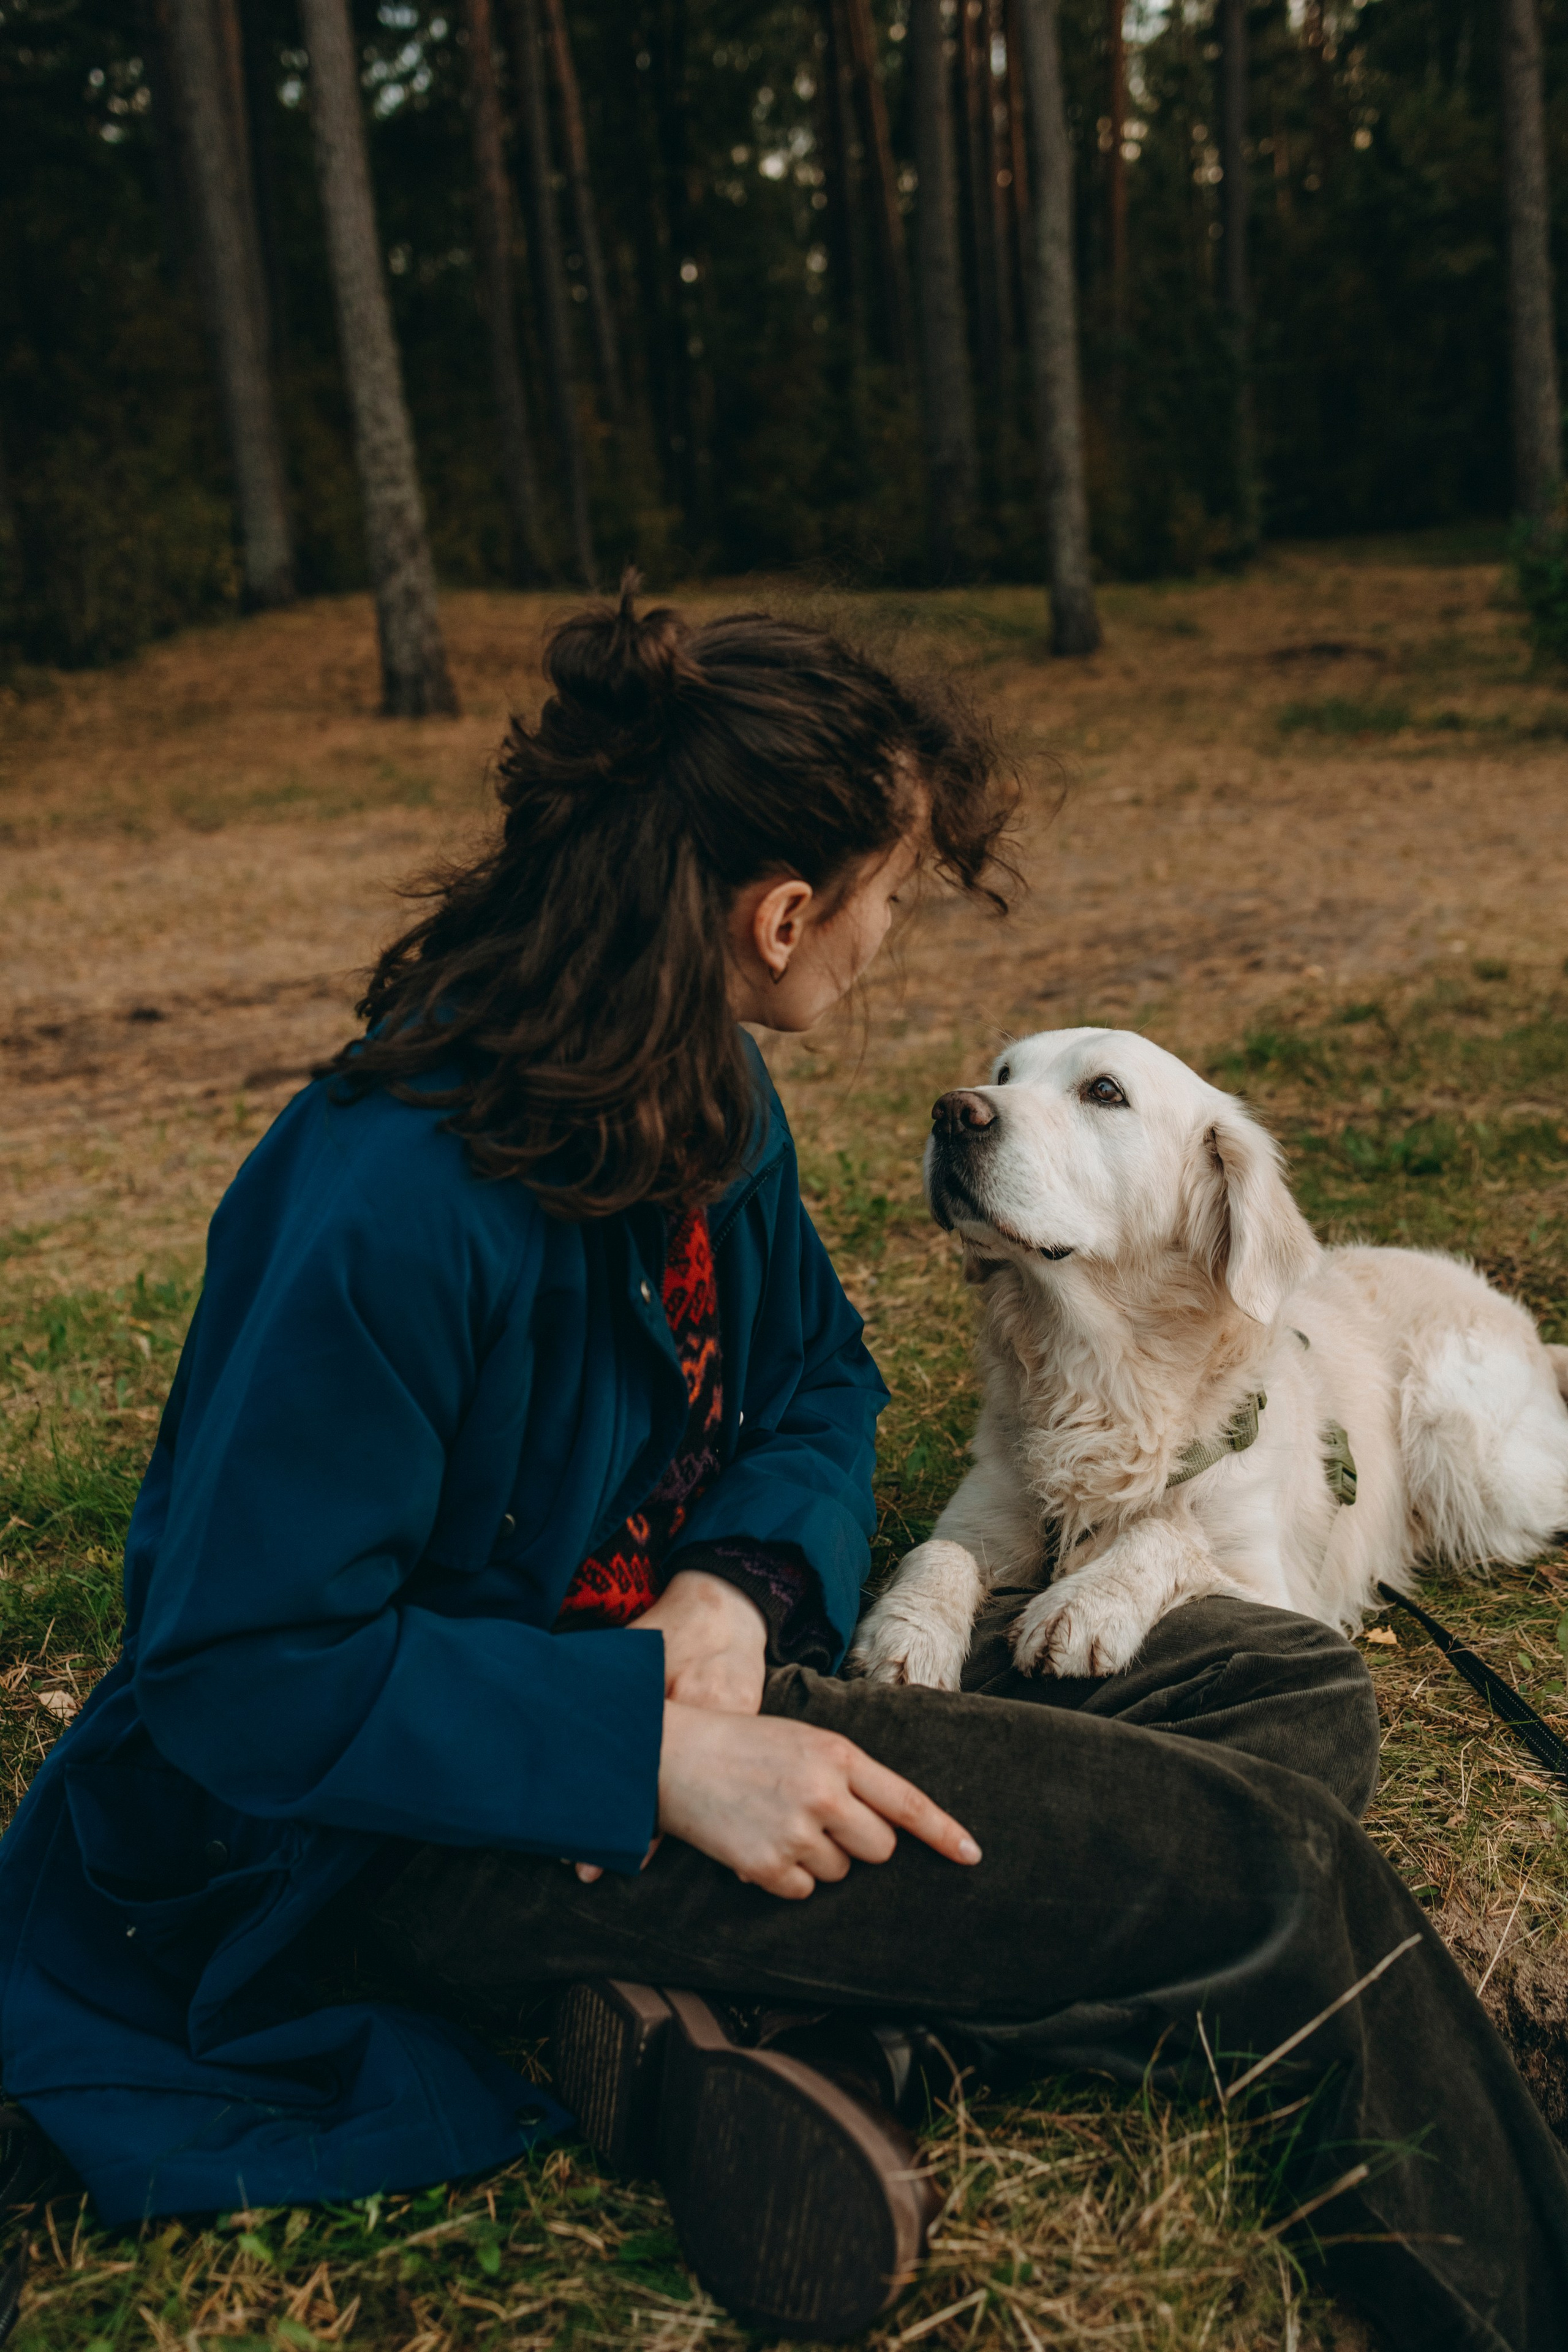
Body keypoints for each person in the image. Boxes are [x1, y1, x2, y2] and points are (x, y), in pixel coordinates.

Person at [1, 584, 1564, 2349]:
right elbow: (237, 1679)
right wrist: (657, 1761)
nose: (892, 943)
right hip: (404, 1833)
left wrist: (734, 1591)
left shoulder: (704, 1097)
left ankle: (799, 2042)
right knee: (1261, 1866)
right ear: (784, 912)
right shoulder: (380, 1206)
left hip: (674, 1700)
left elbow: (821, 1380)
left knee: (1282, 1677)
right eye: (893, 900)